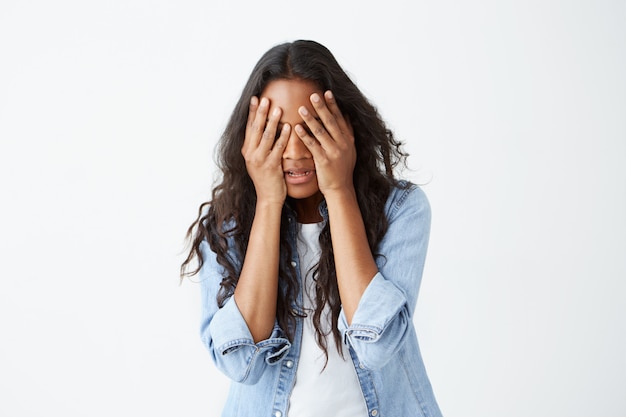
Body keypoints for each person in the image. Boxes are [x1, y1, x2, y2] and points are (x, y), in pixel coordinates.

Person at [181, 39, 443, 417]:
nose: (295, 152)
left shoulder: (401, 210)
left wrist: (339, 190)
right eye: (276, 131)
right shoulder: (226, 226)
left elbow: (376, 346)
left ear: (345, 128)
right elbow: (241, 364)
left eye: (311, 128)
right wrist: (268, 202)